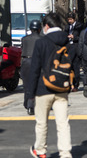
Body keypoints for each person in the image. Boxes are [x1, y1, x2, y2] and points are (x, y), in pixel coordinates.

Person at [28, 12, 72, 158]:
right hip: (62, 88)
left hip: (43, 88)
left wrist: (30, 94)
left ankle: (40, 151)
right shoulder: (67, 41)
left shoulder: (41, 42)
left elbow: (34, 69)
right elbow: (73, 64)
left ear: (46, 26)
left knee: (42, 123)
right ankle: (65, 153)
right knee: (63, 123)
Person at [20, 19, 42, 115]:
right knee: (36, 84)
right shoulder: (41, 39)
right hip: (37, 61)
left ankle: (27, 103)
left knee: (26, 84)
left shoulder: (24, 39)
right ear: (39, 29)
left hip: (26, 61)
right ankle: (32, 104)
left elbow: (22, 49)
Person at [64, 12, 84, 91]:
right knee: (69, 67)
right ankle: (69, 83)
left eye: (71, 19)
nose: (69, 21)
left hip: (76, 47)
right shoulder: (66, 27)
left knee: (76, 67)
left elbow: (81, 38)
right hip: (68, 47)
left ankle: (76, 84)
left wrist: (74, 37)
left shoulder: (79, 26)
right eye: (68, 19)